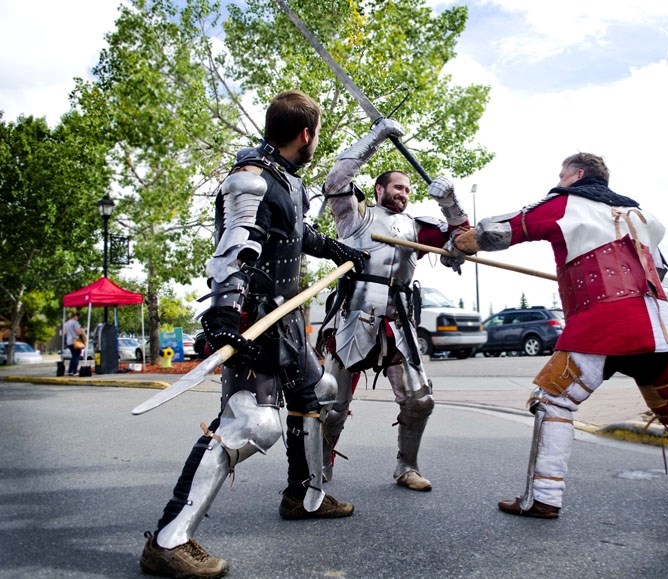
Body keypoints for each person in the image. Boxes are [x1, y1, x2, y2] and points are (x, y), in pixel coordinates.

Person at [139, 90, 370, 579]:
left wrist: (335, 250)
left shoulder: (288, 182)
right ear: (306, 134)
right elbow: (238, 248)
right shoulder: (251, 181)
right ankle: (169, 539)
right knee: (251, 425)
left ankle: (304, 495)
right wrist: (224, 314)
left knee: (319, 391)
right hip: (252, 319)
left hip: (286, 316)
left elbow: (296, 232)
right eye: (317, 134)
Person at [450, 152, 668, 518]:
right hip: (657, 329)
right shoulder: (638, 214)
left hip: (602, 326)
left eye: (562, 172)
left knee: (553, 401)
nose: (558, 178)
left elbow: (501, 229)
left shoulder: (564, 204)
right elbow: (659, 269)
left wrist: (457, 245)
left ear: (578, 174)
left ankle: (544, 498)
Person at [317, 118, 469, 492]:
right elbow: (335, 180)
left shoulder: (417, 226)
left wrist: (451, 203)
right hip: (355, 314)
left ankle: (407, 467)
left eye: (408, 189)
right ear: (379, 188)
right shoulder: (356, 215)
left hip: (400, 320)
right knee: (332, 406)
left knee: (420, 400)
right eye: (397, 186)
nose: (404, 193)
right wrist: (377, 135)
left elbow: (462, 240)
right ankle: (319, 469)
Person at [62, 312, 86, 376]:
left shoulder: (66, 323)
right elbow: (78, 332)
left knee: (73, 356)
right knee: (76, 356)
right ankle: (74, 371)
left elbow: (64, 333)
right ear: (75, 316)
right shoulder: (75, 323)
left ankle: (70, 371)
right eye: (77, 316)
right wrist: (83, 330)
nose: (78, 318)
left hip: (69, 342)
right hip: (75, 341)